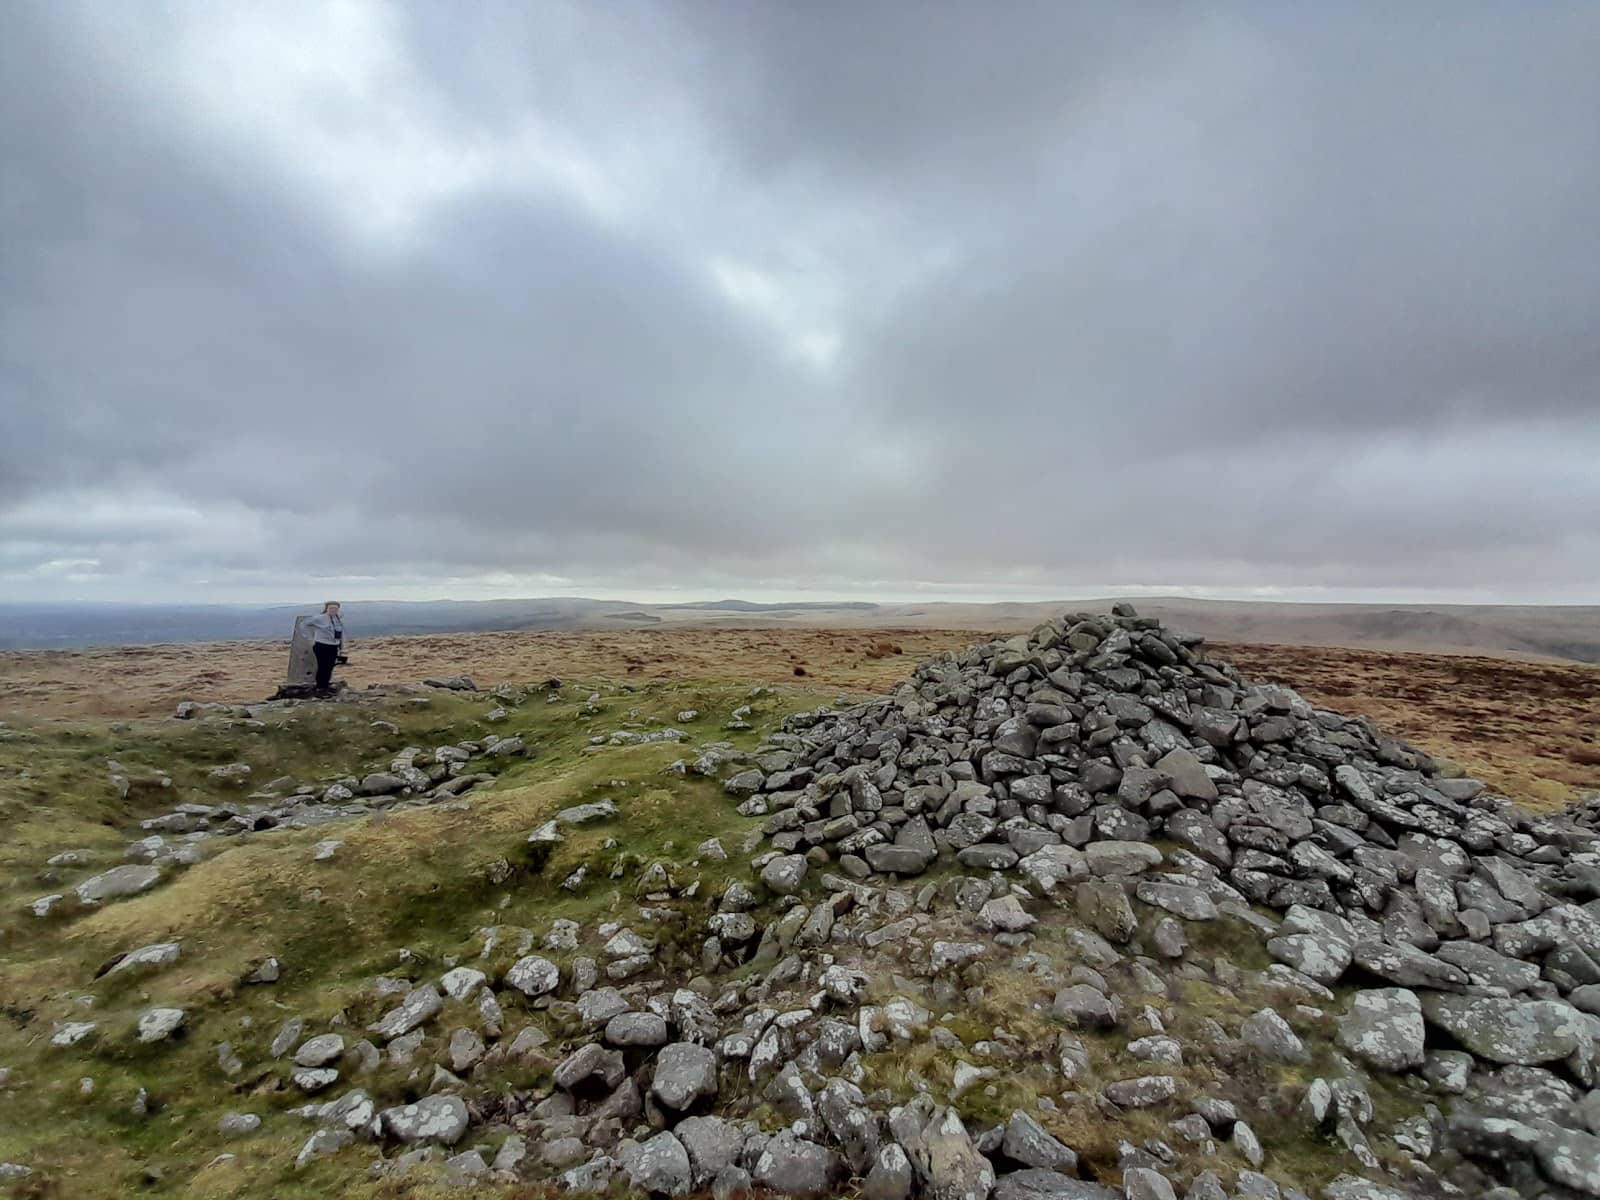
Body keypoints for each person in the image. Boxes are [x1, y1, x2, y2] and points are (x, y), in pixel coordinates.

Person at [303, 601, 348, 697]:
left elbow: (340, 634)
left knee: (329, 667)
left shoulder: (337, 618)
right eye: (331, 608)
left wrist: (342, 647)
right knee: (323, 667)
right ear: (326, 608)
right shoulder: (320, 618)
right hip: (322, 645)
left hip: (333, 646)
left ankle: (325, 687)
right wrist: (310, 638)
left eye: (335, 608)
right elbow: (304, 624)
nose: (333, 610)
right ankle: (320, 688)